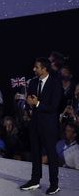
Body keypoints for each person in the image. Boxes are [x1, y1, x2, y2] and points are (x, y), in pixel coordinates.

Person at [20, 57, 63, 195]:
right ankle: (35, 180)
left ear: (44, 69)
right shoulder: (33, 82)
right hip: (35, 124)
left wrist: (37, 104)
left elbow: (54, 106)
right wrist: (28, 103)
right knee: (35, 153)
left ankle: (54, 184)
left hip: (49, 126)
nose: (34, 69)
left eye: (36, 67)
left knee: (51, 154)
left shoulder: (55, 84)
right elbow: (30, 101)